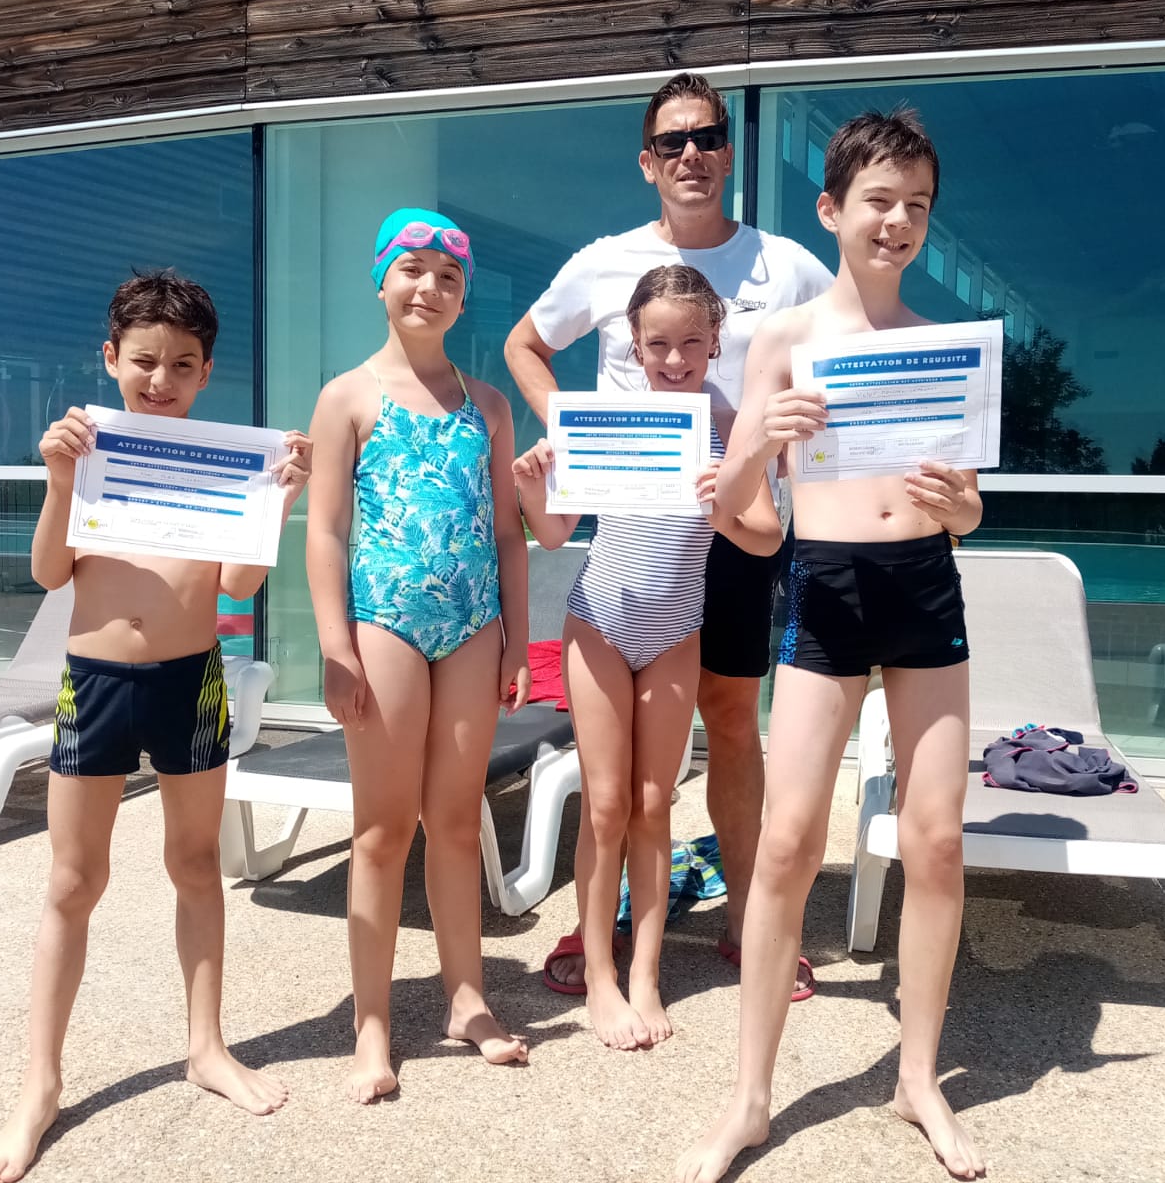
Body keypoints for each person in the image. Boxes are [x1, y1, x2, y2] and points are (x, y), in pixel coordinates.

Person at [676, 110, 988, 1182]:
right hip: (822, 584)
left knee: (935, 840)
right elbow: (746, 520)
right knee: (784, 845)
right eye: (879, 201)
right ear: (832, 210)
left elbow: (968, 510)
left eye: (917, 206)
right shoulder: (784, 338)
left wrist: (963, 509)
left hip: (923, 590)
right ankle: (750, 1100)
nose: (898, 221)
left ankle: (916, 1083)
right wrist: (758, 444)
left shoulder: (939, 348)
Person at [0, 270, 311, 1183]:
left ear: (206, 374)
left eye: (182, 366)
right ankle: (39, 1083)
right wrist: (56, 479)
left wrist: (277, 496)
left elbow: (238, 586)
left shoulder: (222, 462)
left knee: (197, 867)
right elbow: (50, 573)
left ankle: (206, 1046)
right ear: (111, 359)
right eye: (145, 362)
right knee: (74, 882)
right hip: (96, 682)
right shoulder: (92, 454)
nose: (160, 380)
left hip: (192, 680)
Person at [505, 70, 833, 1001]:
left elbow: (836, 363)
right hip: (637, 539)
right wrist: (573, 434)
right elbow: (525, 346)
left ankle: (748, 922)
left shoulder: (789, 266)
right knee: (618, 779)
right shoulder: (605, 260)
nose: (693, 154)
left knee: (732, 723)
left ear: (729, 150)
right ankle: (595, 924)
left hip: (741, 528)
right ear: (647, 161)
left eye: (709, 136)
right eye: (672, 142)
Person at [514, 265, 781, 1049]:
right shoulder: (603, 419)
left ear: (715, 342)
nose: (674, 358)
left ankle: (645, 974)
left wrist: (719, 506)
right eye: (657, 343)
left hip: (675, 632)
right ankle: (599, 973)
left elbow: (766, 536)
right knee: (604, 805)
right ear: (633, 344)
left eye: (691, 342)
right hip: (598, 621)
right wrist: (534, 489)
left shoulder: (729, 427)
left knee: (655, 802)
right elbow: (558, 536)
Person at [304, 207, 531, 1104]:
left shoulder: (490, 404)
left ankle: (466, 999)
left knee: (454, 815)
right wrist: (334, 644)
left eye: (447, 276)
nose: (427, 288)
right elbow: (323, 531)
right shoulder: (347, 397)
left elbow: (510, 533)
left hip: (472, 626)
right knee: (382, 828)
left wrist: (515, 636)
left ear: (463, 296)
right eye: (412, 270)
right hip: (385, 624)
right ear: (381, 280)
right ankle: (371, 1028)